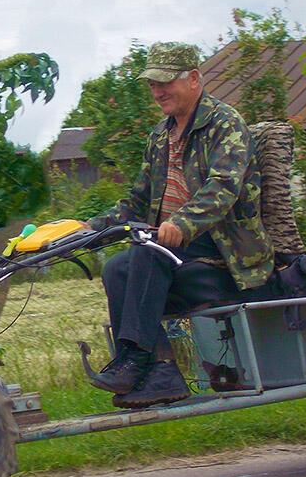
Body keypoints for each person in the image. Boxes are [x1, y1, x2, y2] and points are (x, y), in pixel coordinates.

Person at [84, 42, 274, 408]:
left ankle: (137, 361)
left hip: (226, 258)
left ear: (193, 79)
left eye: (165, 82)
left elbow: (223, 189)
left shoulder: (225, 124)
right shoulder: (160, 136)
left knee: (148, 252)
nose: (157, 92)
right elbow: (137, 202)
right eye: (152, 84)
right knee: (116, 268)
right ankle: (161, 372)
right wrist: (87, 228)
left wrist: (182, 223)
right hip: (174, 255)